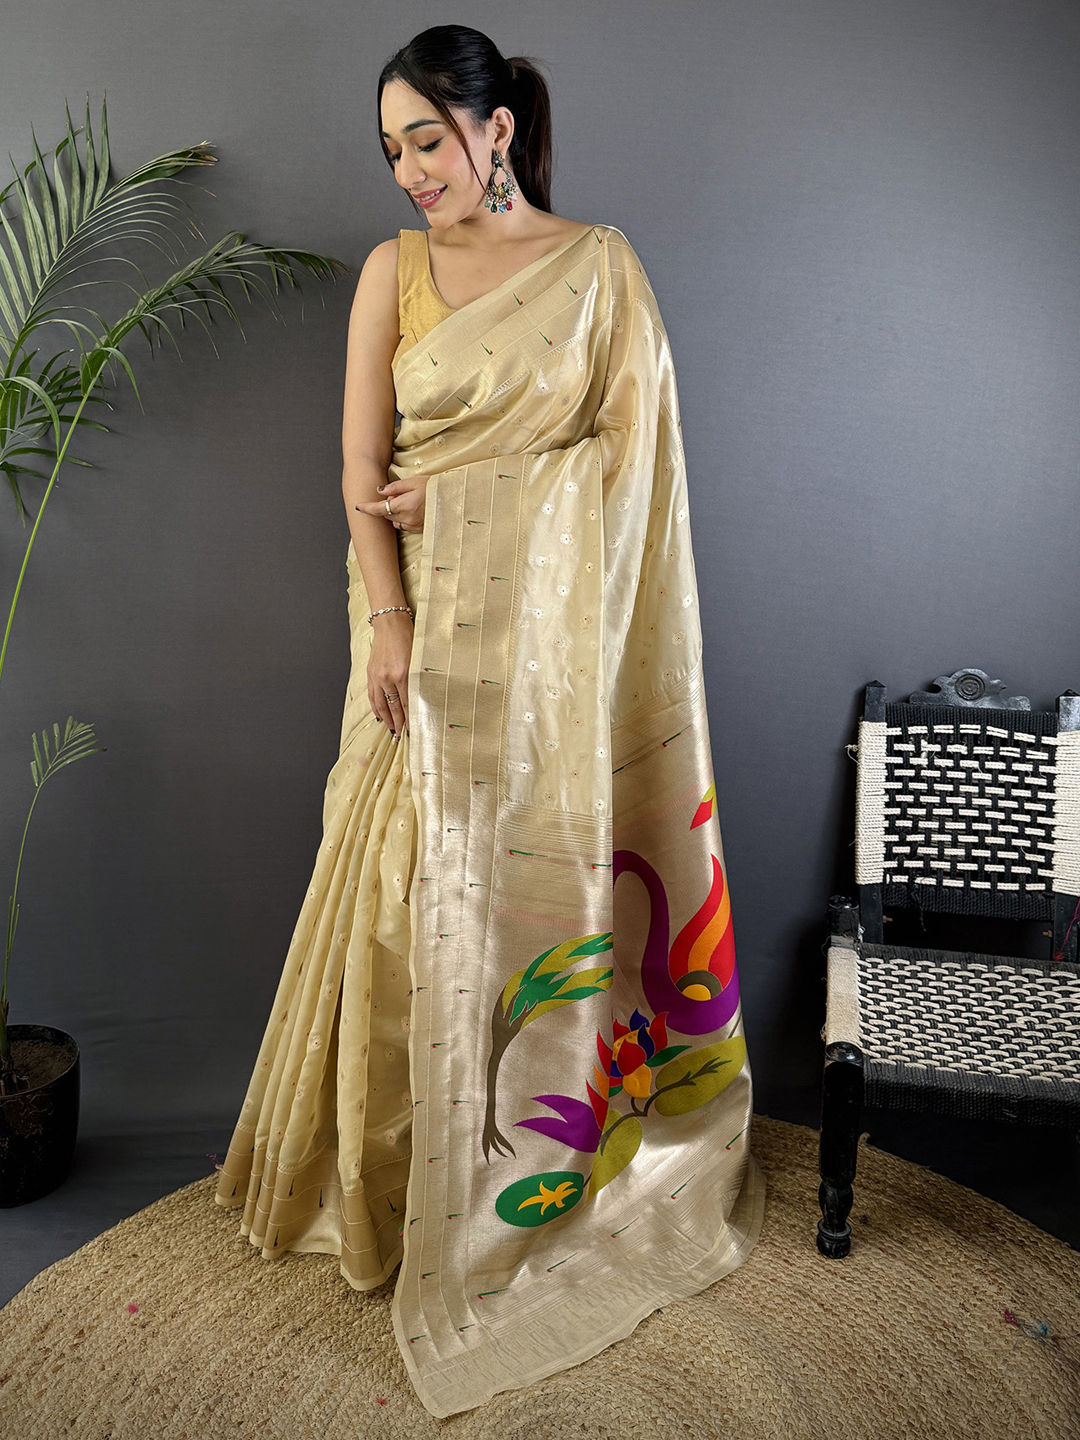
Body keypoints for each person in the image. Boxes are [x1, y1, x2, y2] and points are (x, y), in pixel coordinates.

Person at [214, 23, 766, 1419]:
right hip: (414, 639)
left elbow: (634, 476)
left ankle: (527, 1168)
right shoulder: (391, 274)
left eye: (430, 139)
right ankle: (379, 1189)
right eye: (392, 149)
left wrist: (470, 500)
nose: (411, 171)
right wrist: (392, 620)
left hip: (549, 668)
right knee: (397, 896)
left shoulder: (600, 269)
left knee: (525, 899)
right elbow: (361, 471)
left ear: (497, 128)